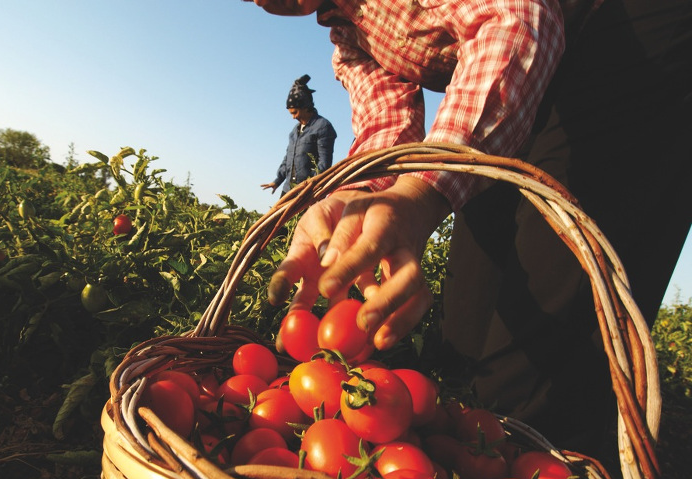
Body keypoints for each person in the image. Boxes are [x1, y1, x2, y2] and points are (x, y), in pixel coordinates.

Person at [246, 0, 692, 454]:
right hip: (518, 83)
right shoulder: (347, 39)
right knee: (464, 339)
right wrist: (356, 196)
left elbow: (518, 18)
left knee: (550, 342)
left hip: (621, 38)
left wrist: (420, 195)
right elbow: (388, 122)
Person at [261, 75, 337, 195]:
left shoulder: (323, 127)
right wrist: (277, 181)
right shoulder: (294, 131)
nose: (293, 117)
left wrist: (308, 185)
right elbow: (288, 159)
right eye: (291, 113)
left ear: (305, 107)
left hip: (307, 192)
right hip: (288, 190)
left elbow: (324, 164)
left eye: (295, 112)